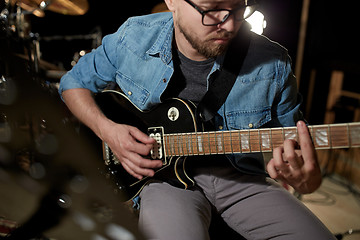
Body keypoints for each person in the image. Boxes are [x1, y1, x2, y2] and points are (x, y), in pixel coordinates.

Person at [59, 0, 336, 239]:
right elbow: (72, 84)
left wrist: (307, 181)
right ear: (172, 2)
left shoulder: (273, 63)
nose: (228, 25)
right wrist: (107, 130)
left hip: (240, 180)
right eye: (212, 11)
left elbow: (294, 143)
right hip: (163, 180)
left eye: (238, 9)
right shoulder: (134, 37)